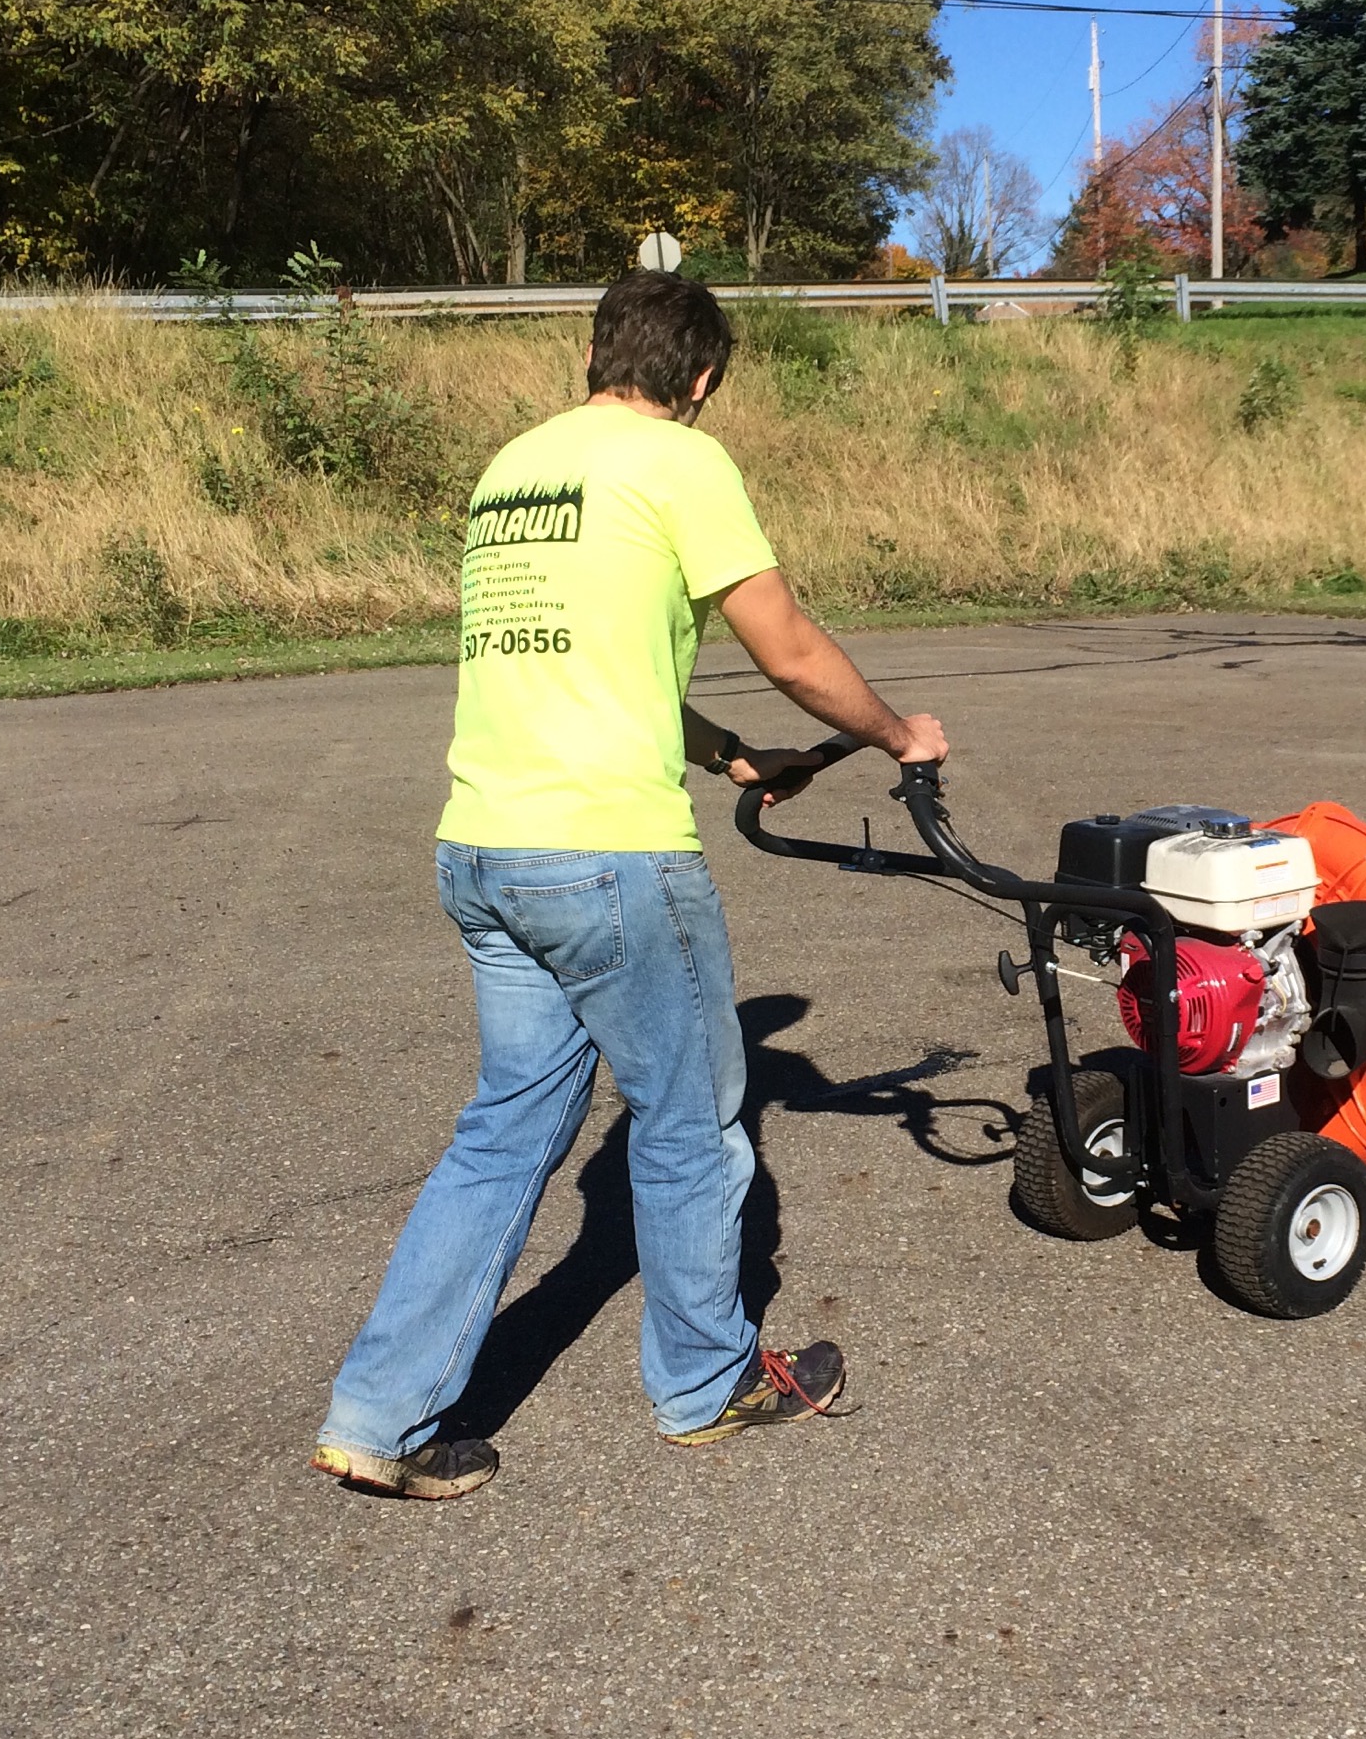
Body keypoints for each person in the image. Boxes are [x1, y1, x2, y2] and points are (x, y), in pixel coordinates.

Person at [312, 269, 947, 1499]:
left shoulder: (516, 470)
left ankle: (377, 1415)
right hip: (608, 860)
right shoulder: (681, 464)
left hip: (485, 847)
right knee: (694, 1121)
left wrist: (722, 753)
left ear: (601, 351)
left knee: (502, 1138)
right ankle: (709, 1382)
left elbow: (580, 661)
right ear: (701, 378)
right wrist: (892, 734)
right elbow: (792, 646)